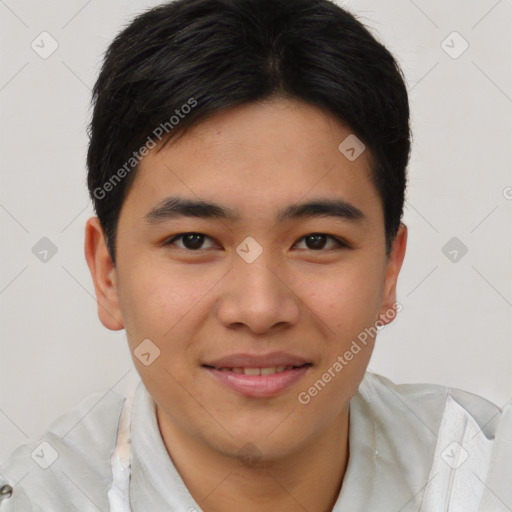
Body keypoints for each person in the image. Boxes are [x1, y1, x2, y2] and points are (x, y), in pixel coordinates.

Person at [1, 0, 510, 510]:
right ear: (107, 273)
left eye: (317, 241)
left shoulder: (483, 478)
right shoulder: (34, 497)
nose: (260, 309)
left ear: (388, 271)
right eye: (194, 241)